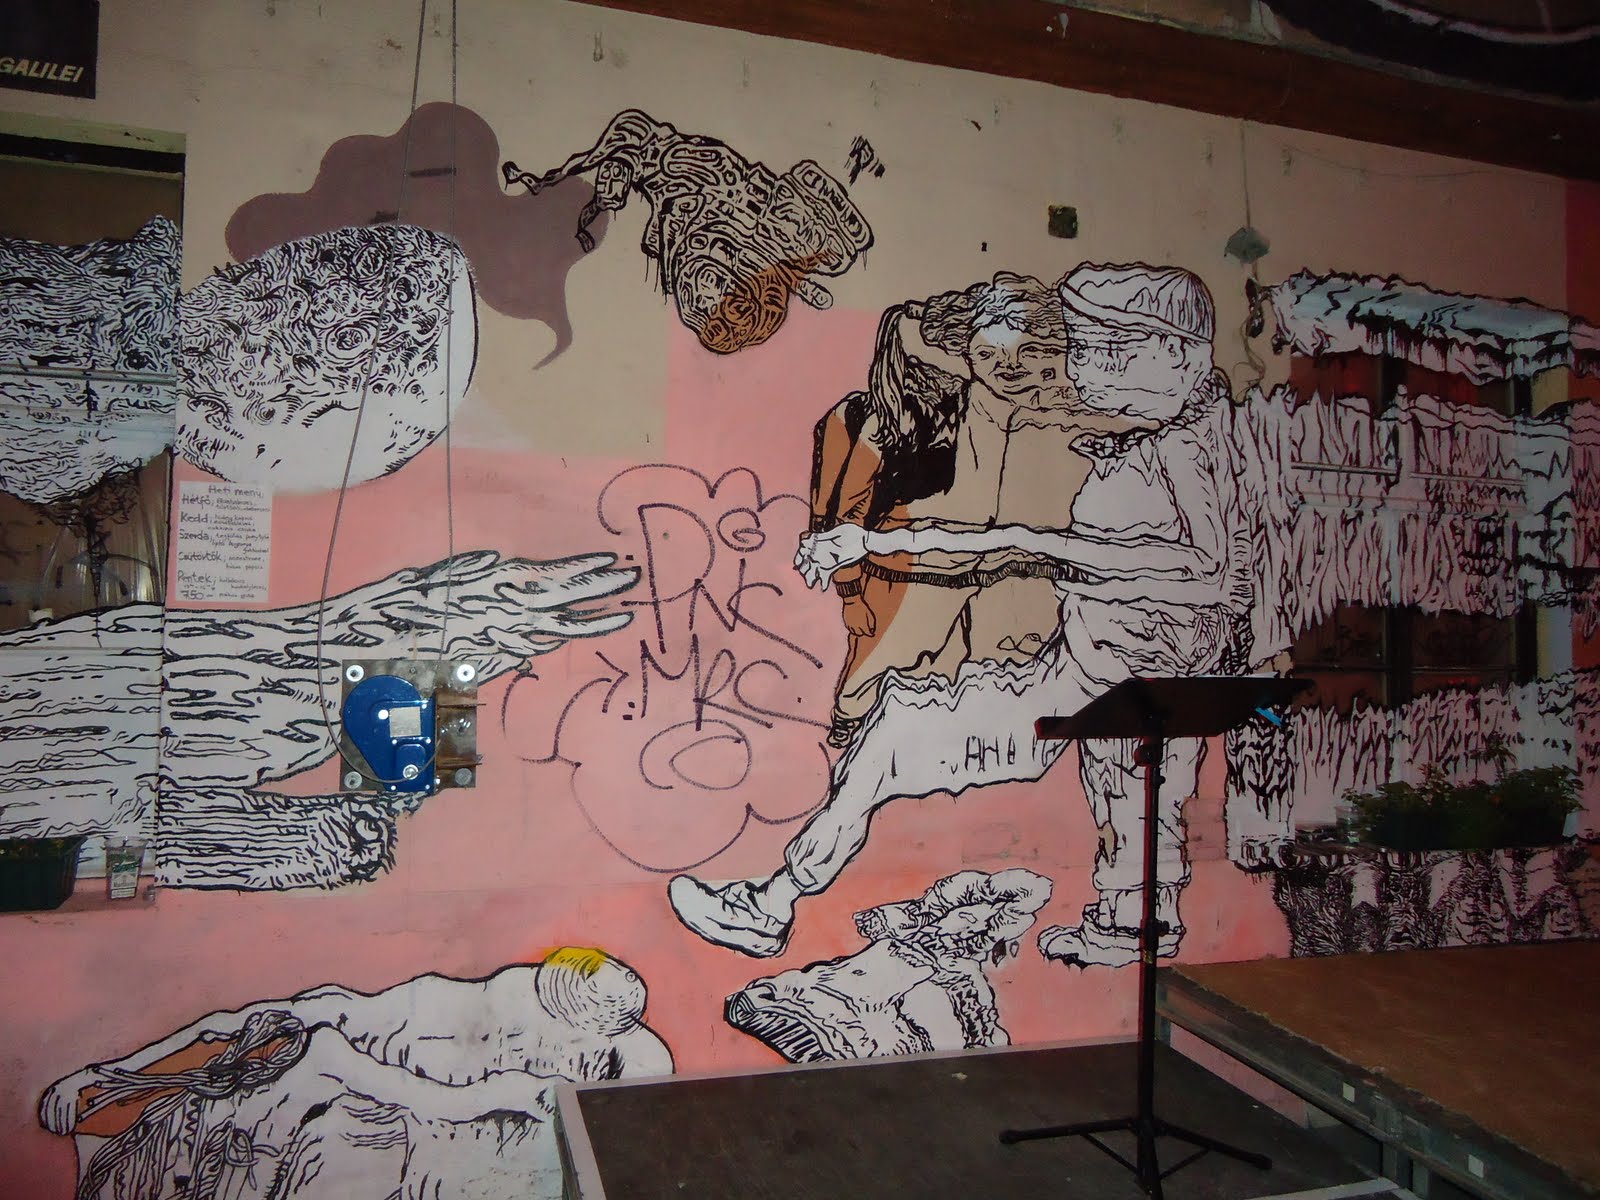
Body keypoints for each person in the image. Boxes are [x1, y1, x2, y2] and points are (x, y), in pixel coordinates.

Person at [669, 267, 1202, 958]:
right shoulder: (1035, 420)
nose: (1017, 373)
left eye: (1041, 357)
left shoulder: (1142, 435)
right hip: (1073, 669)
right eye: (992, 356)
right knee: (905, 730)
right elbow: (915, 343)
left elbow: (1192, 565)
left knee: (1127, 792)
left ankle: (772, 904)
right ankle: (774, 902)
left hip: (1096, 674)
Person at [41, 948, 672, 1199]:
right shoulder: (446, 1012)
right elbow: (265, 1020)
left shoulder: (612, 1080)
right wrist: (107, 1077)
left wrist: (339, 1062)